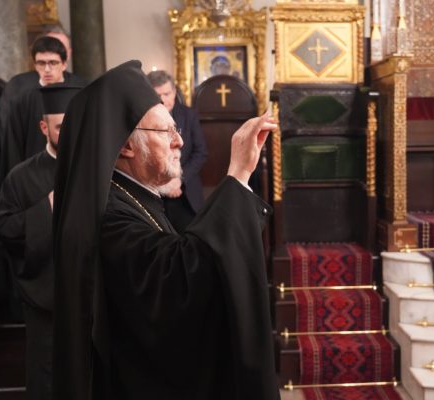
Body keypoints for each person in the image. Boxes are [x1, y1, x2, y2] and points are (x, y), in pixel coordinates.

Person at [51, 60, 279, 400]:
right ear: (126, 146)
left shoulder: (137, 197)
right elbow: (179, 282)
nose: (179, 142)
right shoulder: (108, 216)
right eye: (165, 132)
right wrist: (237, 175)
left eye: (177, 129)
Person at [0, 84, 82, 399]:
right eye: (60, 127)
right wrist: (47, 207)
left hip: (93, 295)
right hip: (47, 299)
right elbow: (4, 229)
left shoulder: (100, 169)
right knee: (48, 380)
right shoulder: (21, 176)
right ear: (44, 128)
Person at [0, 35, 85, 183]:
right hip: (33, 176)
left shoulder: (81, 92)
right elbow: (13, 146)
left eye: (53, 63)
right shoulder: (23, 98)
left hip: (75, 172)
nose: (47, 69)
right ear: (34, 64)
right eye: (41, 63)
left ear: (64, 64)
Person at [147, 70, 208, 231]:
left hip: (186, 193)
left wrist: (179, 179)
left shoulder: (189, 115)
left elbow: (200, 152)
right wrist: (164, 183)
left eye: (167, 94)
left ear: (174, 92)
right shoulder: (142, 118)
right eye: (157, 95)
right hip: (154, 193)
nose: (162, 99)